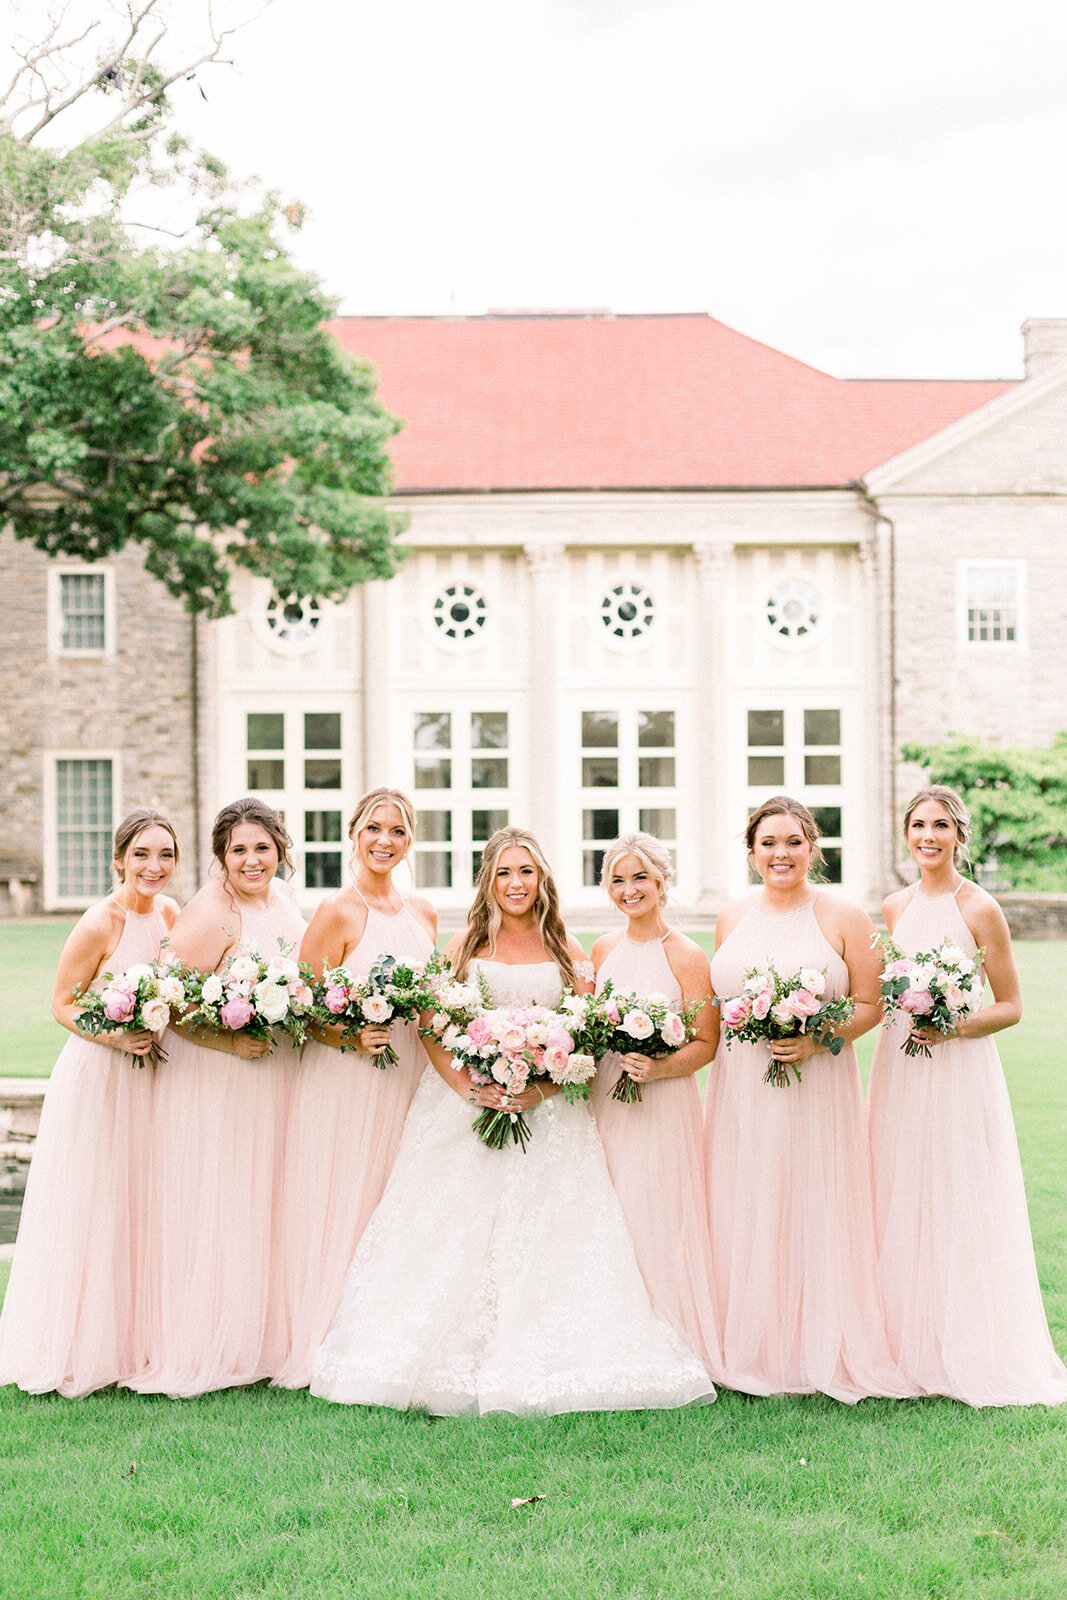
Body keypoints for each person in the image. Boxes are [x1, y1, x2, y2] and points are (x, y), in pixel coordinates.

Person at [311, 826, 712, 1415]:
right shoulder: (464, 945)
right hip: (465, 1108)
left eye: (525, 871)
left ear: (541, 878)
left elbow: (584, 1034)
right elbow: (430, 1023)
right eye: (503, 872)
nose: (515, 883)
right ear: (488, 881)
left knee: (554, 1234)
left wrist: (541, 1087)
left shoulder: (569, 950)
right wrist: (470, 1086)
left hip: (548, 1116)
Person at [706, 796, 914, 1402]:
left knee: (811, 1196)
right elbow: (718, 1008)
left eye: (794, 842)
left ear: (812, 848)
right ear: (751, 851)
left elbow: (874, 1005)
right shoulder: (730, 916)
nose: (781, 853)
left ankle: (817, 1341)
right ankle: (751, 1340)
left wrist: (818, 1035)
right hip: (742, 1086)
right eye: (768, 842)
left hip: (817, 1086)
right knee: (747, 1196)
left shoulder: (846, 917)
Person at [868, 785, 1067, 1405]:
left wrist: (952, 1025)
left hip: (958, 1068)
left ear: (959, 835)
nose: (928, 837)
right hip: (902, 1064)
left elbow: (1010, 1005)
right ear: (906, 834)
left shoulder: (979, 908)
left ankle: (967, 1342)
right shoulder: (894, 906)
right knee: (901, 1189)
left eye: (940, 826)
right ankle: (906, 1341)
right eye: (918, 825)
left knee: (957, 1191)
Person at [0, 810, 180, 1396]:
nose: (154, 867)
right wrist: (114, 1033)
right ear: (120, 860)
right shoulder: (101, 922)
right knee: (96, 1200)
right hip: (101, 1077)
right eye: (143, 855)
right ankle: (79, 1345)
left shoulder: (173, 916)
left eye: (166, 855)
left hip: (155, 1078)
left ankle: (138, 1340)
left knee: (144, 1202)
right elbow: (62, 1002)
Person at [129, 798, 305, 1397]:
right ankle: (212, 1341)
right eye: (238, 851)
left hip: (275, 1072)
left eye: (262, 847)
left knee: (268, 1198)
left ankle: (264, 1339)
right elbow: (166, 1006)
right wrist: (231, 1046)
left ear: (280, 849)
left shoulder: (280, 899)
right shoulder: (211, 915)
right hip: (221, 1079)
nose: (252, 860)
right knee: (226, 1200)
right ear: (220, 858)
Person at [273, 788, 436, 1388]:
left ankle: (387, 1332)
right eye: (374, 828)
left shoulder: (424, 913)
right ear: (353, 834)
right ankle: (326, 1336)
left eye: (396, 831)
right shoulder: (337, 912)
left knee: (398, 1200)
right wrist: (349, 1038)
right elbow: (302, 1013)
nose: (384, 841)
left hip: (409, 1077)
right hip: (347, 1082)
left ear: (409, 840)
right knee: (347, 1198)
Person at [589, 833, 722, 1375]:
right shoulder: (601, 950)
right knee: (610, 1206)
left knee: (658, 1209)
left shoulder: (687, 956)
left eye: (639, 877)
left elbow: (706, 1042)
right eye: (618, 880)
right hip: (607, 1099)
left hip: (663, 1104)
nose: (629, 890)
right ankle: (613, 1328)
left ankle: (669, 1331)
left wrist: (660, 1066)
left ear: (662, 882)